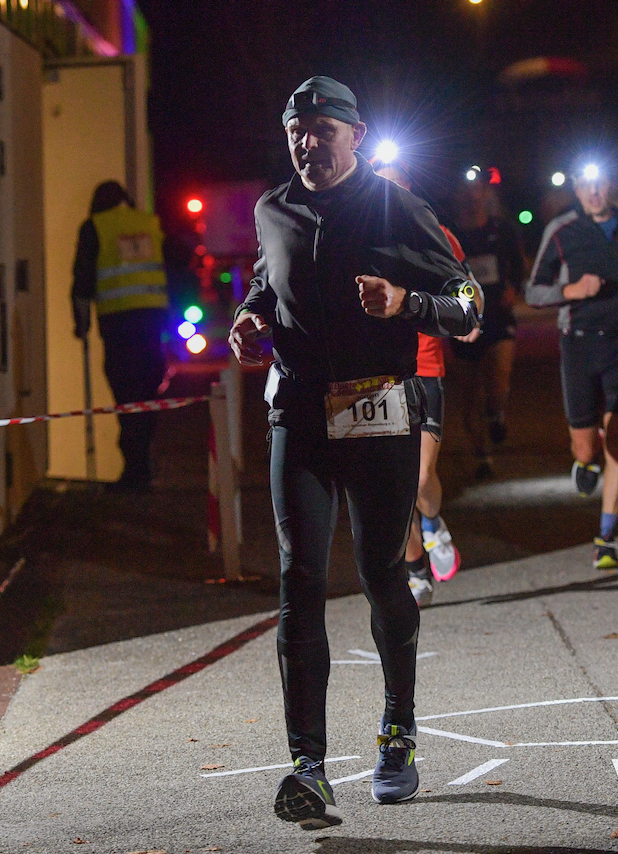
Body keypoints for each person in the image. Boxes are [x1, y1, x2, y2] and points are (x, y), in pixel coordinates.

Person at [228, 77, 479, 829]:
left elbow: (468, 306)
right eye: (297, 129)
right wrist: (247, 319)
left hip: (380, 411)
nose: (308, 142)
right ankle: (307, 765)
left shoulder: (397, 207)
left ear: (356, 134)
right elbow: (266, 284)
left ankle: (398, 729)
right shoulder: (272, 208)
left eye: (322, 130)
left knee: (379, 572)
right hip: (299, 411)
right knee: (299, 578)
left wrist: (408, 305)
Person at [525, 163, 618, 568]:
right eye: (585, 184)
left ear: (611, 184)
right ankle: (584, 458)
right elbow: (533, 291)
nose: (593, 191)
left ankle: (606, 538)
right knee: (585, 442)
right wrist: (572, 290)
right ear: (575, 189)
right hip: (578, 344)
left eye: (600, 183)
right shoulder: (562, 230)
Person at [374, 159, 476, 606]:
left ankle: (433, 521)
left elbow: (468, 287)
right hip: (370, 373)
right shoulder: (351, 232)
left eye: (395, 190)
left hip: (423, 363)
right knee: (386, 486)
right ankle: (416, 571)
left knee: (418, 479)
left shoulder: (435, 233)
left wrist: (470, 312)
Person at [71, 181, 168, 490]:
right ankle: (141, 464)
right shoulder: (149, 222)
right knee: (147, 393)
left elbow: (82, 281)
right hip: (152, 320)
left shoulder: (94, 226)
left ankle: (135, 468)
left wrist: (81, 324)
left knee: (126, 395)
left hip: (118, 324)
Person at [449, 175, 527, 480]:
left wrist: (514, 288)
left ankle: (497, 411)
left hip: (498, 314)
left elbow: (517, 264)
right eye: (465, 189)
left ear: (485, 194)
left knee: (499, 375)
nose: (471, 195)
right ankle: (481, 454)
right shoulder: (449, 233)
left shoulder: (501, 229)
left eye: (476, 189)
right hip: (464, 319)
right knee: (468, 391)